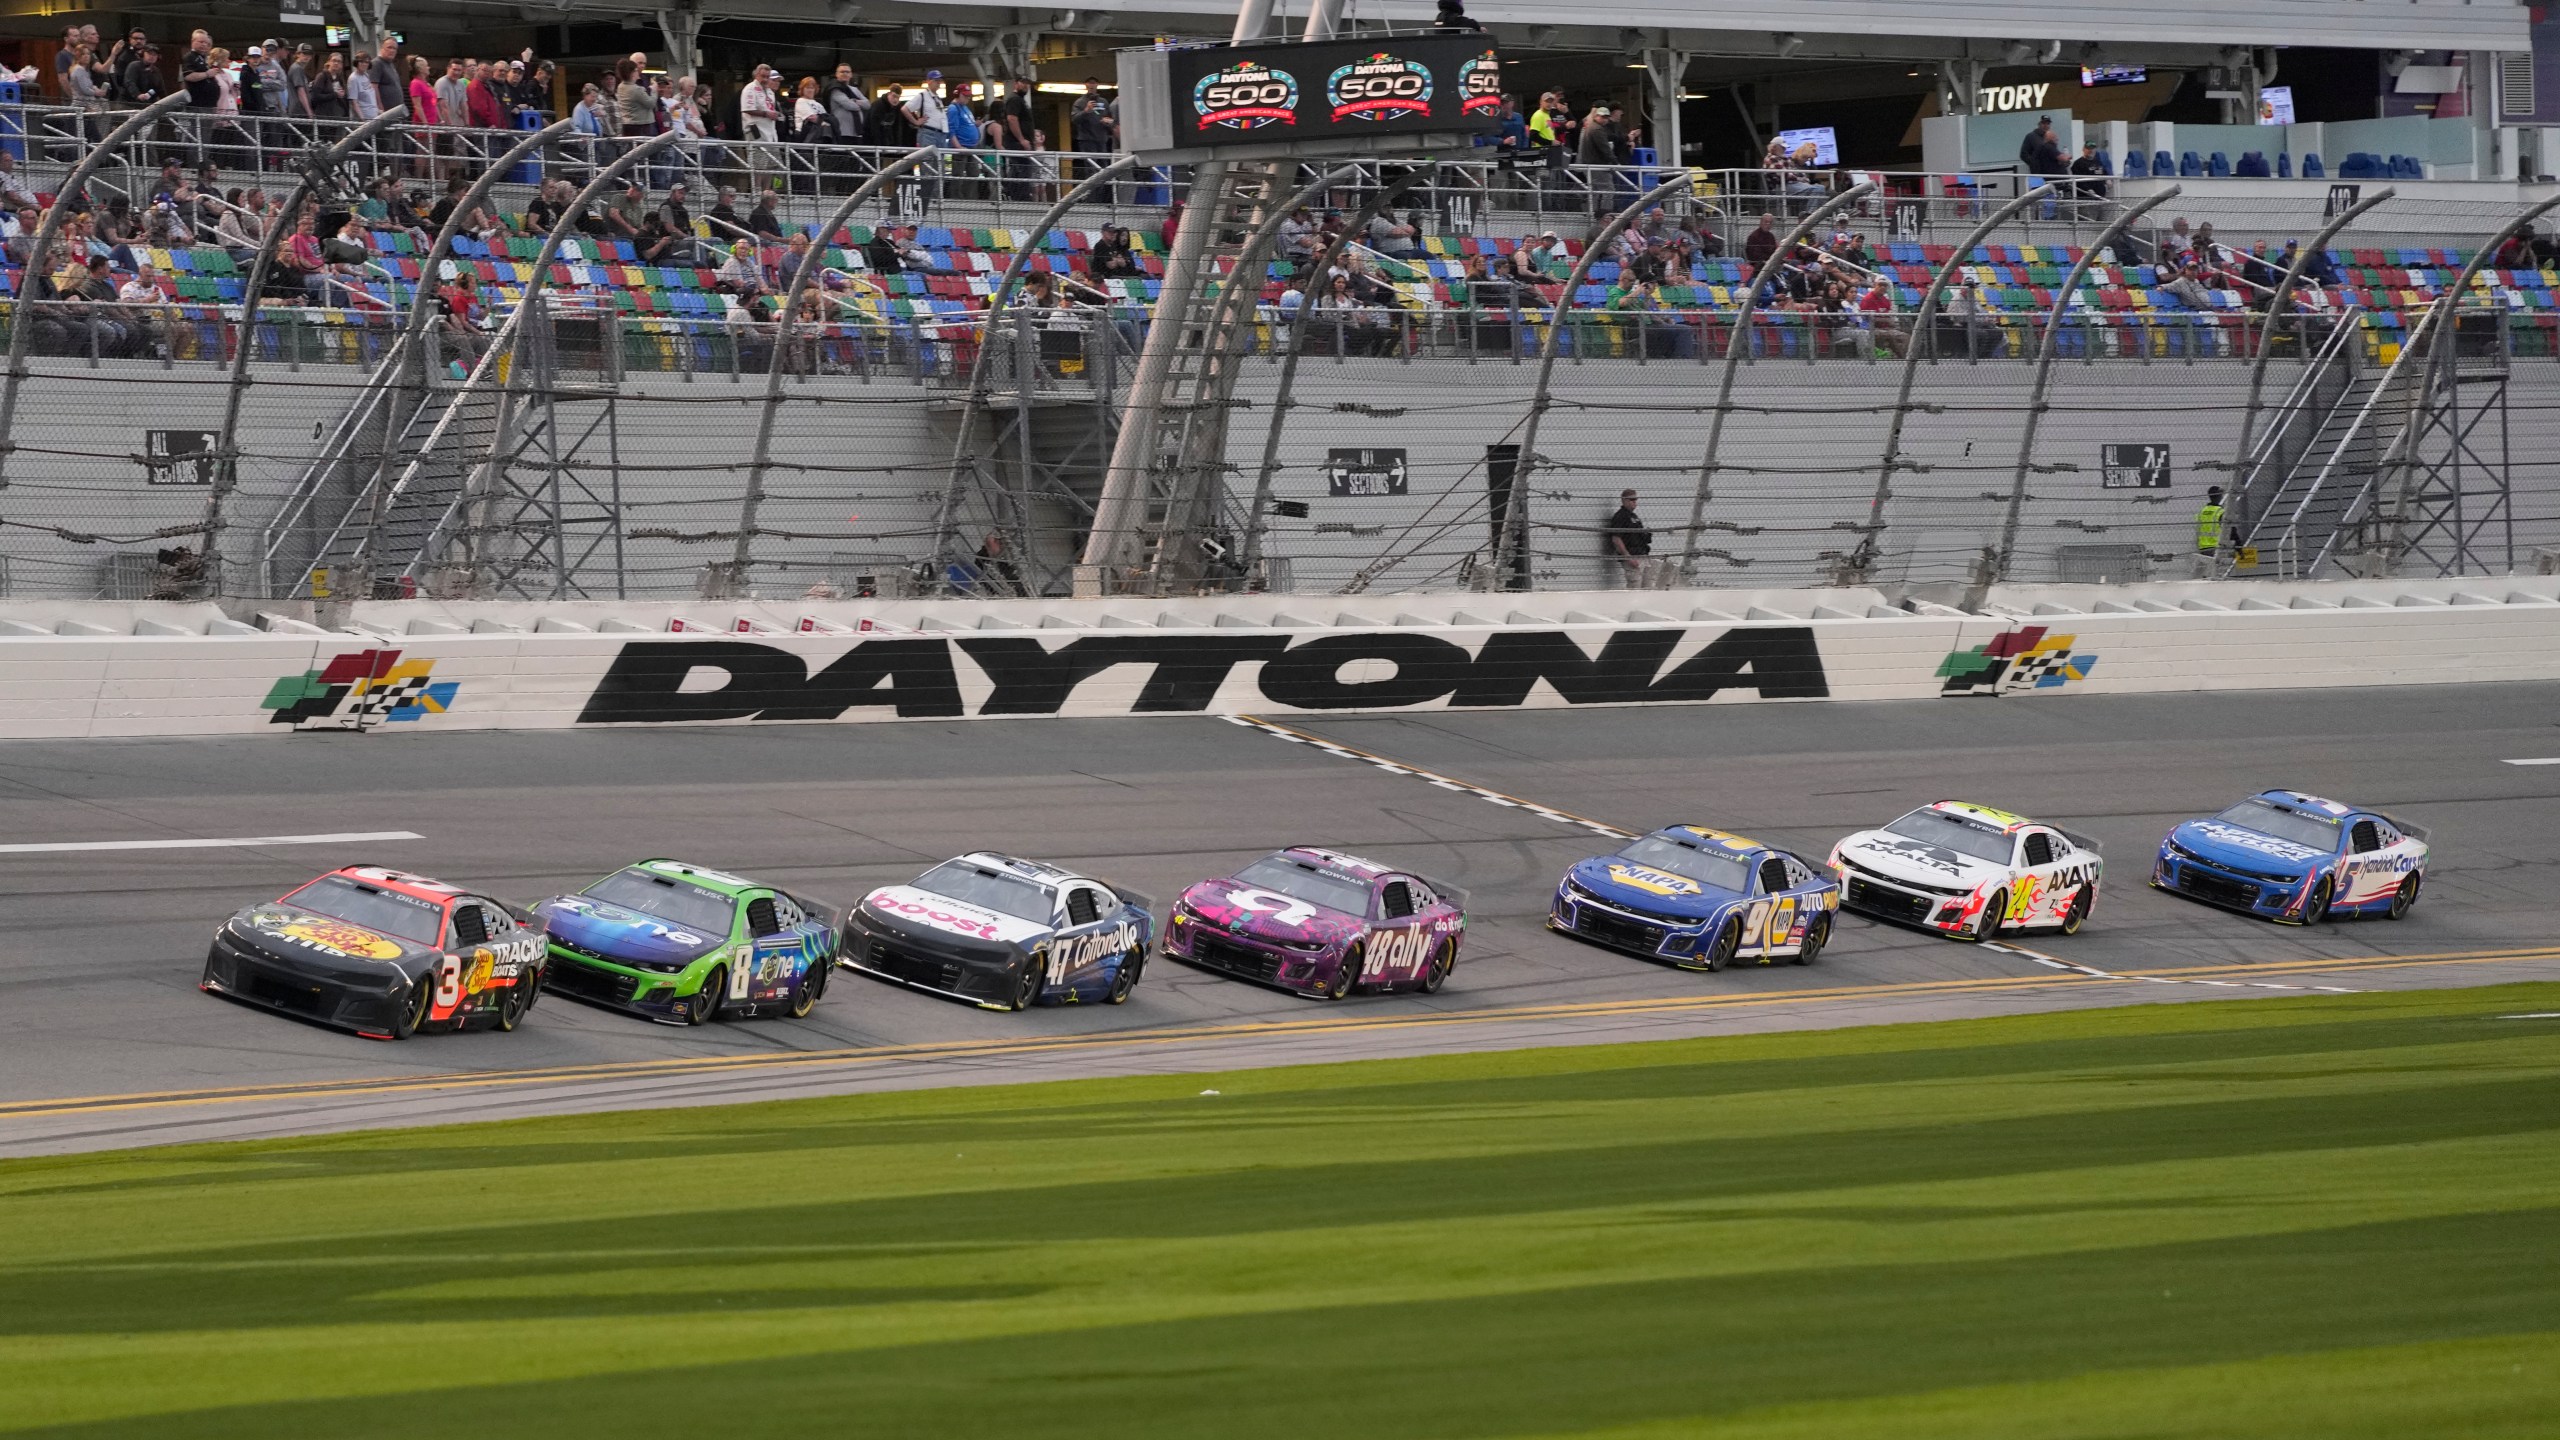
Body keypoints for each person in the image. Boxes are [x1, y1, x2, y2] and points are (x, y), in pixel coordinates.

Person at [1603, 489, 1652, 586]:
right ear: (1624, 500)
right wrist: (1629, 558)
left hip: (1642, 554)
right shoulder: (1620, 516)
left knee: (1647, 586)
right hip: (1632, 555)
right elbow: (1616, 539)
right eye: (1632, 499)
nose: (1634, 502)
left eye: (1635, 499)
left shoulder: (1633, 516)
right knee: (1635, 585)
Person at [2194, 485, 2227, 576]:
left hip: (2203, 547)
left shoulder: (2202, 511)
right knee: (2217, 572)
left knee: (2207, 571)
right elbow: (2227, 529)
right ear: (2219, 496)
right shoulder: (2220, 512)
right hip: (2216, 546)